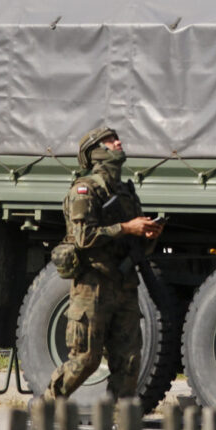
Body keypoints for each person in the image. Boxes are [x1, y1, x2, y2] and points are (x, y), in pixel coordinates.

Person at [46, 126, 162, 400]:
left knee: (129, 363)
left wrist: (148, 234)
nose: (118, 142)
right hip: (92, 285)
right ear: (96, 152)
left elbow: (135, 240)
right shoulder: (85, 190)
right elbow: (83, 237)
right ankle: (46, 407)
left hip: (124, 284)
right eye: (110, 141)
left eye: (116, 138)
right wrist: (125, 228)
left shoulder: (126, 192)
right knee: (86, 359)